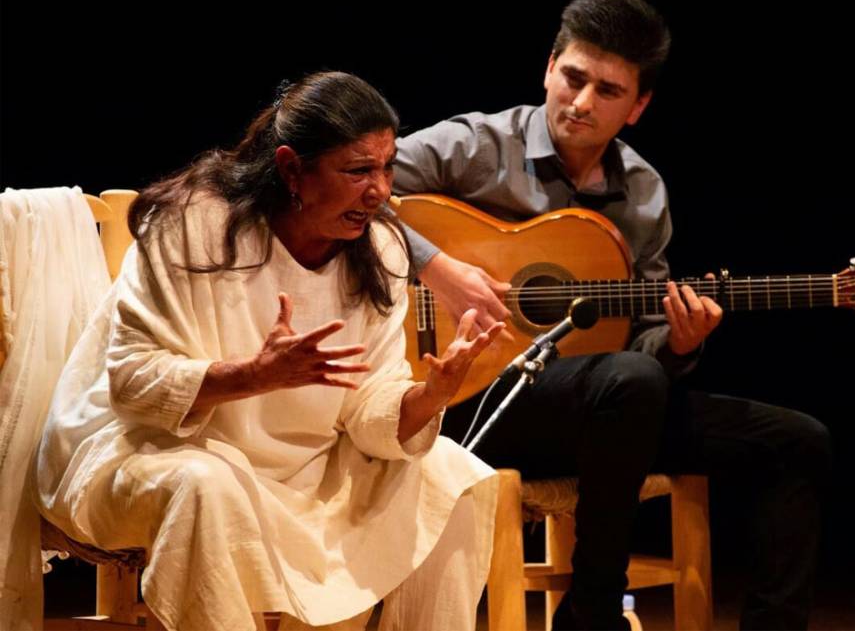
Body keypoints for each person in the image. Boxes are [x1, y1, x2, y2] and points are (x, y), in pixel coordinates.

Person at [392, 0, 832, 631]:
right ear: (549, 66)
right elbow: (349, 187)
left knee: (797, 440)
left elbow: (644, 345)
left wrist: (680, 344)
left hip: (604, 412)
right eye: (573, 78)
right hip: (467, 399)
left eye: (608, 91)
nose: (581, 103)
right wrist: (440, 266)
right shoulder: (476, 146)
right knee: (630, 381)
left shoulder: (645, 192)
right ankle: (593, 611)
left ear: (638, 107)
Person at [33, 71, 504, 631]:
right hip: (143, 450)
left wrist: (429, 397)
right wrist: (254, 375)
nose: (380, 191)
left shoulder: (380, 250)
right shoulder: (193, 226)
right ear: (291, 170)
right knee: (207, 488)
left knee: (453, 476)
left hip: (303, 468)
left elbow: (366, 408)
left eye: (386, 167)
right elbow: (132, 382)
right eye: (358, 171)